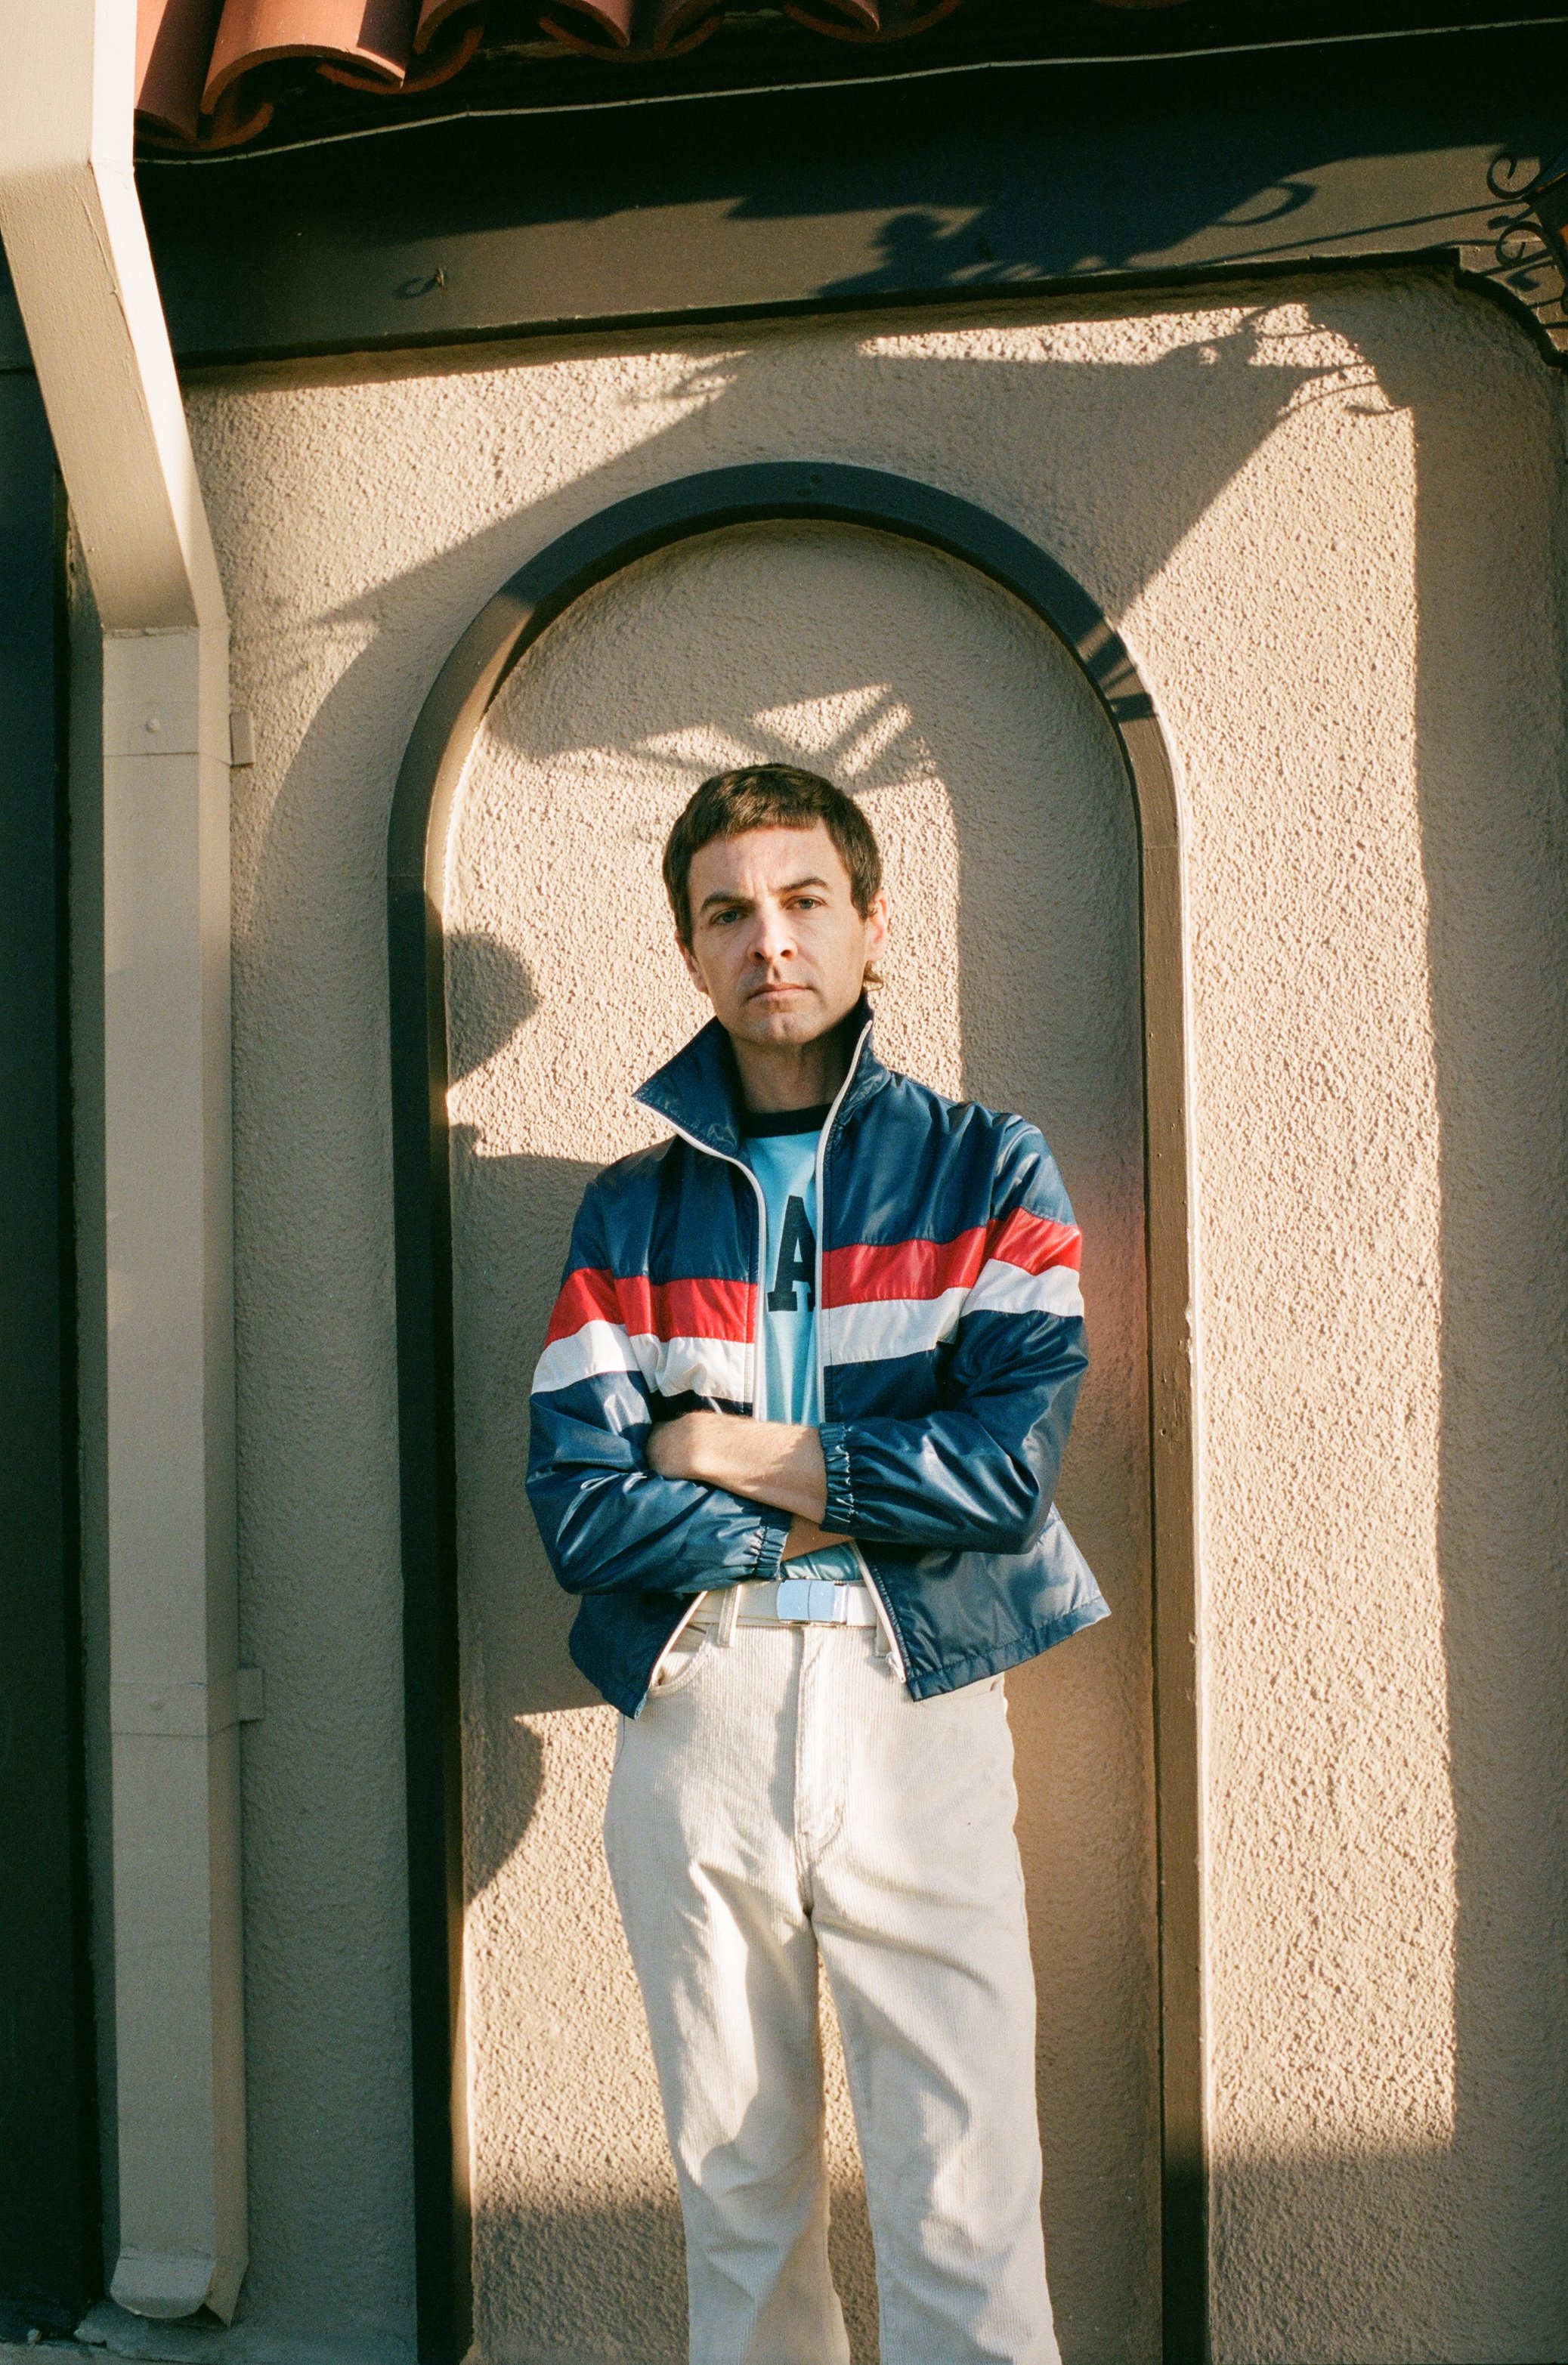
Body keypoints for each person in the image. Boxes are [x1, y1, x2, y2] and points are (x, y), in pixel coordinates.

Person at [527, 765, 1108, 2365]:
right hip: (692, 1705)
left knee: (961, 2197)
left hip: (910, 1691)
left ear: (870, 922)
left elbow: (1001, 1475)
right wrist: (856, 1479)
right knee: (737, 2200)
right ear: (690, 948)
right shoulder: (627, 1214)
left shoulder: (989, 1167)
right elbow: (579, 1510)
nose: (768, 938)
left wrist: (715, 1445)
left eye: (803, 901)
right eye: (728, 911)